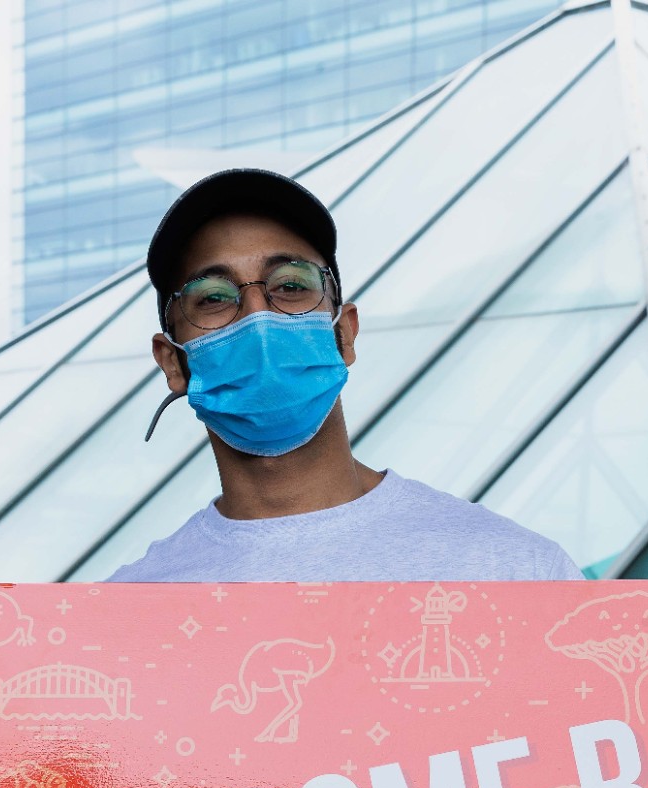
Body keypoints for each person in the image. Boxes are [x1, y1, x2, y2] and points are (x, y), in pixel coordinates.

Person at [107, 168, 584, 582]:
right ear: (172, 361)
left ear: (346, 333)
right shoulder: (129, 609)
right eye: (212, 296)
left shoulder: (517, 571)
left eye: (291, 285)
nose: (258, 316)